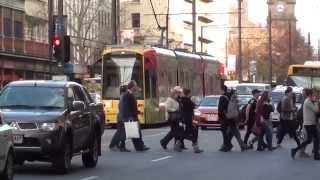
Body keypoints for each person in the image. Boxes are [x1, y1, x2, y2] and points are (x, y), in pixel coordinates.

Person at [291, 89, 320, 160]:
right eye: (313, 94)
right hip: (309, 124)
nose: (314, 95)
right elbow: (316, 110)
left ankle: (316, 154)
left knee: (313, 139)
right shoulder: (308, 101)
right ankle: (295, 150)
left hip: (311, 123)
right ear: (310, 95)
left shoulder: (310, 101)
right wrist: (316, 102)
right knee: (312, 139)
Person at [122, 80, 150, 152]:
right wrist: (129, 116)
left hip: (133, 115)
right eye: (135, 86)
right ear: (132, 87)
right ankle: (139, 146)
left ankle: (140, 146)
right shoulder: (127, 95)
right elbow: (126, 107)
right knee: (135, 131)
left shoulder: (130, 94)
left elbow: (132, 106)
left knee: (135, 132)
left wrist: (138, 112)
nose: (136, 87)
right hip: (131, 116)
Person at [160, 87, 184, 152]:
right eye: (177, 94)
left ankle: (164, 142)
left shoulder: (176, 100)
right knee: (175, 131)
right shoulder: (169, 99)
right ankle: (174, 145)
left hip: (176, 117)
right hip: (171, 117)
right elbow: (167, 108)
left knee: (174, 131)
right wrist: (175, 110)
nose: (178, 95)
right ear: (174, 94)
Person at [180, 88, 203, 153]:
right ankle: (196, 148)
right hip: (189, 118)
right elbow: (193, 106)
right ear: (188, 93)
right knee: (193, 132)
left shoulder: (182, 100)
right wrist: (193, 102)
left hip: (186, 118)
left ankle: (178, 143)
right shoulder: (187, 100)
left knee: (188, 132)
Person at [109, 85, 130, 152]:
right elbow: (123, 108)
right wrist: (124, 118)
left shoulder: (122, 97)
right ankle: (117, 146)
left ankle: (116, 145)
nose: (128, 91)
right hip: (122, 117)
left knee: (120, 132)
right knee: (122, 132)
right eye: (127, 90)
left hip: (121, 116)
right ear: (125, 90)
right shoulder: (124, 97)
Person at [218, 86, 232, 152]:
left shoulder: (222, 97)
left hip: (224, 117)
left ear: (222, 90)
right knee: (227, 132)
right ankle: (228, 145)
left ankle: (226, 146)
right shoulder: (229, 96)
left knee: (224, 132)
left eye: (220, 90)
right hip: (229, 117)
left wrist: (219, 116)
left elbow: (221, 108)